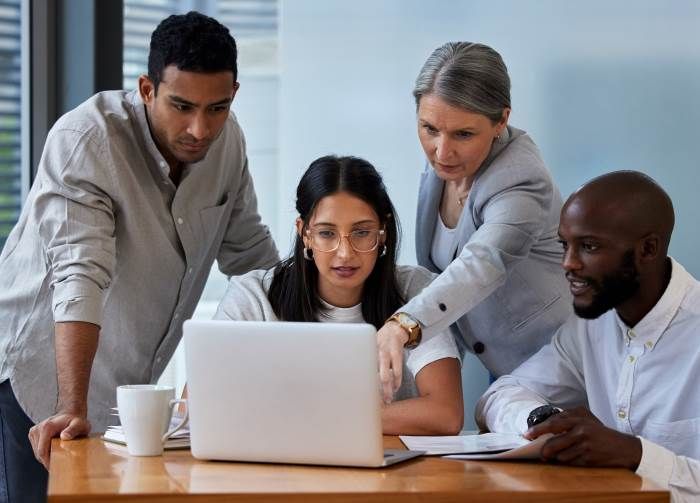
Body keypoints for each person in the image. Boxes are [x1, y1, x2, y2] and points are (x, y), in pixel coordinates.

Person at [0, 11, 279, 502]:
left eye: (216, 107)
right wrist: (71, 404)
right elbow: (79, 274)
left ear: (234, 93)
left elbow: (252, 257)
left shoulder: (227, 141)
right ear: (147, 88)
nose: (199, 128)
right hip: (33, 385)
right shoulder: (87, 140)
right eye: (182, 105)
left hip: (119, 402)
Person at [476, 171, 700, 502]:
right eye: (565, 245)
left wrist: (635, 454)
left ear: (648, 249)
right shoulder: (591, 326)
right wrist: (546, 422)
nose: (568, 264)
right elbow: (498, 396)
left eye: (589, 246)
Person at [377, 42, 571, 402]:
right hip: (501, 370)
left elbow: (481, 265)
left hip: (562, 370)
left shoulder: (521, 179)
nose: (442, 150)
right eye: (429, 128)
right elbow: (439, 278)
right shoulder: (447, 164)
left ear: (501, 120)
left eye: (463, 134)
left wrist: (402, 325)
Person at [215, 155, 464, 435]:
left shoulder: (416, 292)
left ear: (382, 233)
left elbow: (445, 414)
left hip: (387, 472)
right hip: (279, 473)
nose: (345, 253)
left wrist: (312, 416)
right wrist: (357, 417)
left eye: (361, 232)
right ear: (305, 233)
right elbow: (199, 405)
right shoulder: (253, 295)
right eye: (326, 233)